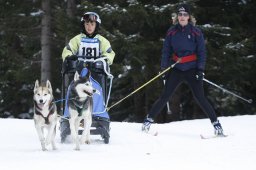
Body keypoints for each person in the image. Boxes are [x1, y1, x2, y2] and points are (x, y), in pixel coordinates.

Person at [141, 4, 224, 136]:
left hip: (192, 69)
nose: (182, 17)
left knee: (200, 97)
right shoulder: (172, 31)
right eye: (180, 14)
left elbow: (202, 52)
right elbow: (166, 51)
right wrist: (164, 69)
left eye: (185, 15)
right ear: (177, 17)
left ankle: (217, 125)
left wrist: (200, 70)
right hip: (177, 69)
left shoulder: (196, 32)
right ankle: (147, 121)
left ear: (189, 17)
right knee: (165, 96)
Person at [60, 12, 115, 143]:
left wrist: (105, 60)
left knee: (96, 91)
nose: (89, 26)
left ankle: (98, 115)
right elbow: (67, 50)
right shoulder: (77, 39)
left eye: (92, 24)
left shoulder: (102, 40)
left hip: (96, 74)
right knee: (72, 90)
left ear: (96, 25)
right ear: (83, 25)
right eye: (87, 24)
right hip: (79, 73)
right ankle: (69, 115)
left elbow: (110, 53)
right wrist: (69, 57)